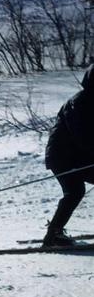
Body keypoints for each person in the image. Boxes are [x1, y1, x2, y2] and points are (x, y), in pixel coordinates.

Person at [42, 63, 94, 246]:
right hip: (62, 157)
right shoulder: (79, 103)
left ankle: (54, 232)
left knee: (75, 191)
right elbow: (83, 135)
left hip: (78, 157)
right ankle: (53, 235)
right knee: (74, 191)